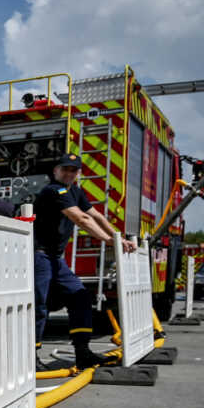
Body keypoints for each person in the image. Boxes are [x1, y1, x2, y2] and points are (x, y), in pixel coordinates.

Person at [32, 152, 135, 369]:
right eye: (65, 169)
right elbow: (81, 218)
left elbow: (96, 215)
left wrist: (118, 238)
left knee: (80, 297)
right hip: (39, 255)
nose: (69, 173)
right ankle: (31, 355)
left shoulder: (74, 191)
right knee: (38, 305)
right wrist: (109, 241)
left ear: (78, 173)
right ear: (55, 171)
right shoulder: (54, 190)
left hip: (53, 258)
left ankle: (83, 352)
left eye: (73, 170)